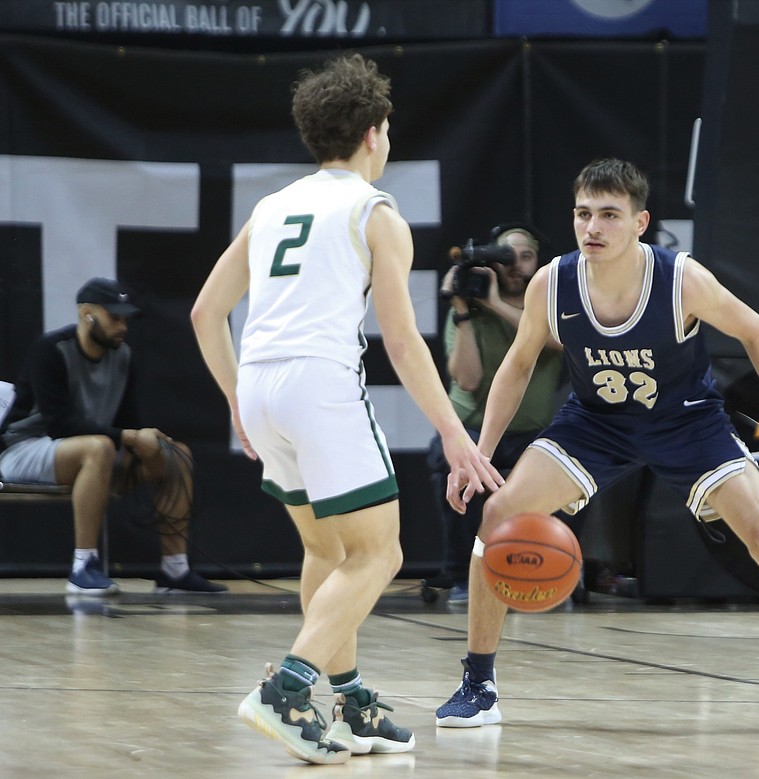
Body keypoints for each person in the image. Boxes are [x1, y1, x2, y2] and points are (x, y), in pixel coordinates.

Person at [435, 158, 759, 732]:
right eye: (584, 214)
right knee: (498, 515)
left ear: (640, 223)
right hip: (596, 423)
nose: (593, 228)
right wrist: (481, 454)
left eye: (609, 215)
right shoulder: (553, 281)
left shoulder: (681, 278)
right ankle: (479, 683)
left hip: (687, 424)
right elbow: (515, 366)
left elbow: (756, 331)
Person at [190, 53, 502, 766]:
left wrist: (237, 396)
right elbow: (399, 338)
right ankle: (287, 688)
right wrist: (454, 433)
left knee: (326, 551)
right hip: (318, 385)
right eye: (387, 129)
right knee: (379, 552)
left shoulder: (272, 207)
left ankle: (352, 704)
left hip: (263, 385)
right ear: (372, 133)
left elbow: (207, 312)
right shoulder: (375, 212)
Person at [0, 277, 227, 596]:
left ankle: (174, 571)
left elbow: (127, 421)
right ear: (86, 314)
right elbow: (60, 426)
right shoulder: (51, 350)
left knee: (177, 454)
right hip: (26, 451)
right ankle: (83, 567)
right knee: (100, 447)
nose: (122, 326)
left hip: (96, 452)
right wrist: (131, 438)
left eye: (125, 319)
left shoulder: (123, 356)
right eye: (114, 317)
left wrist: (143, 445)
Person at [427, 225, 563, 603]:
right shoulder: (469, 311)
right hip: (473, 429)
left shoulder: (548, 306)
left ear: (539, 263)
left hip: (530, 434)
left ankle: (556, 569)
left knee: (572, 463)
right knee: (451, 461)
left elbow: (556, 341)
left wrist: (495, 304)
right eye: (505, 257)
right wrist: (462, 310)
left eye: (526, 256)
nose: (515, 266)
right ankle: (461, 575)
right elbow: (467, 380)